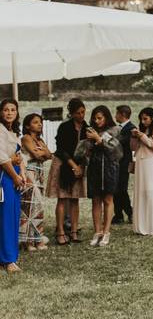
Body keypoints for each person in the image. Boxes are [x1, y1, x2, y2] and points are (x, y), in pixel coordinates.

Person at [75, 105, 123, 246]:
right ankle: (97, 231)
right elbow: (79, 153)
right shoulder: (90, 131)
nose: (96, 121)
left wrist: (99, 140)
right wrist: (88, 144)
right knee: (95, 200)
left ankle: (106, 232)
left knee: (108, 199)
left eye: (100, 118)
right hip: (94, 169)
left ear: (106, 117)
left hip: (110, 168)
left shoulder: (115, 130)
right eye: (94, 118)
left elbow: (118, 152)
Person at [47, 97, 88, 246]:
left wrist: (81, 167)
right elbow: (61, 149)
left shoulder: (86, 127)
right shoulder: (64, 127)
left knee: (75, 199)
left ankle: (74, 231)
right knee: (62, 199)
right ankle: (60, 232)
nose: (81, 115)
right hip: (63, 164)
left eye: (83, 112)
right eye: (78, 113)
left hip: (78, 165)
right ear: (71, 113)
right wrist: (73, 166)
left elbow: (86, 150)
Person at [131, 107, 153, 235]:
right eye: (141, 118)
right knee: (140, 192)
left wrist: (143, 137)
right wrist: (135, 137)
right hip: (140, 161)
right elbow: (134, 147)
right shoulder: (142, 129)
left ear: (152, 118)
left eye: (145, 118)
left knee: (151, 192)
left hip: (151, 162)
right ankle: (141, 225)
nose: (143, 121)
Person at [19, 113, 51, 251]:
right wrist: (42, 152)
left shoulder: (40, 140)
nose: (40, 124)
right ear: (27, 125)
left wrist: (43, 151)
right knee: (28, 207)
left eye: (40, 122)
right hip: (30, 174)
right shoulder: (25, 138)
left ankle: (38, 238)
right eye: (35, 122)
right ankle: (27, 241)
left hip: (39, 175)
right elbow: (37, 155)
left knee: (38, 208)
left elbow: (49, 155)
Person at [1, 99, 24, 272]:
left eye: (13, 110)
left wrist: (22, 174)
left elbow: (19, 156)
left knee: (14, 215)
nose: (9, 113)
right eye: (6, 110)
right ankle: (7, 259)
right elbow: (2, 158)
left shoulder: (13, 132)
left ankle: (11, 256)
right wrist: (15, 176)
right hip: (5, 176)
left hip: (15, 176)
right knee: (5, 217)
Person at [112, 105, 135, 225]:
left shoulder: (131, 129)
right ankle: (118, 215)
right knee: (115, 189)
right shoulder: (117, 127)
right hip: (115, 162)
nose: (115, 116)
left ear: (123, 115)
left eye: (117, 114)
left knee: (122, 189)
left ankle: (130, 213)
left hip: (124, 163)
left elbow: (119, 142)